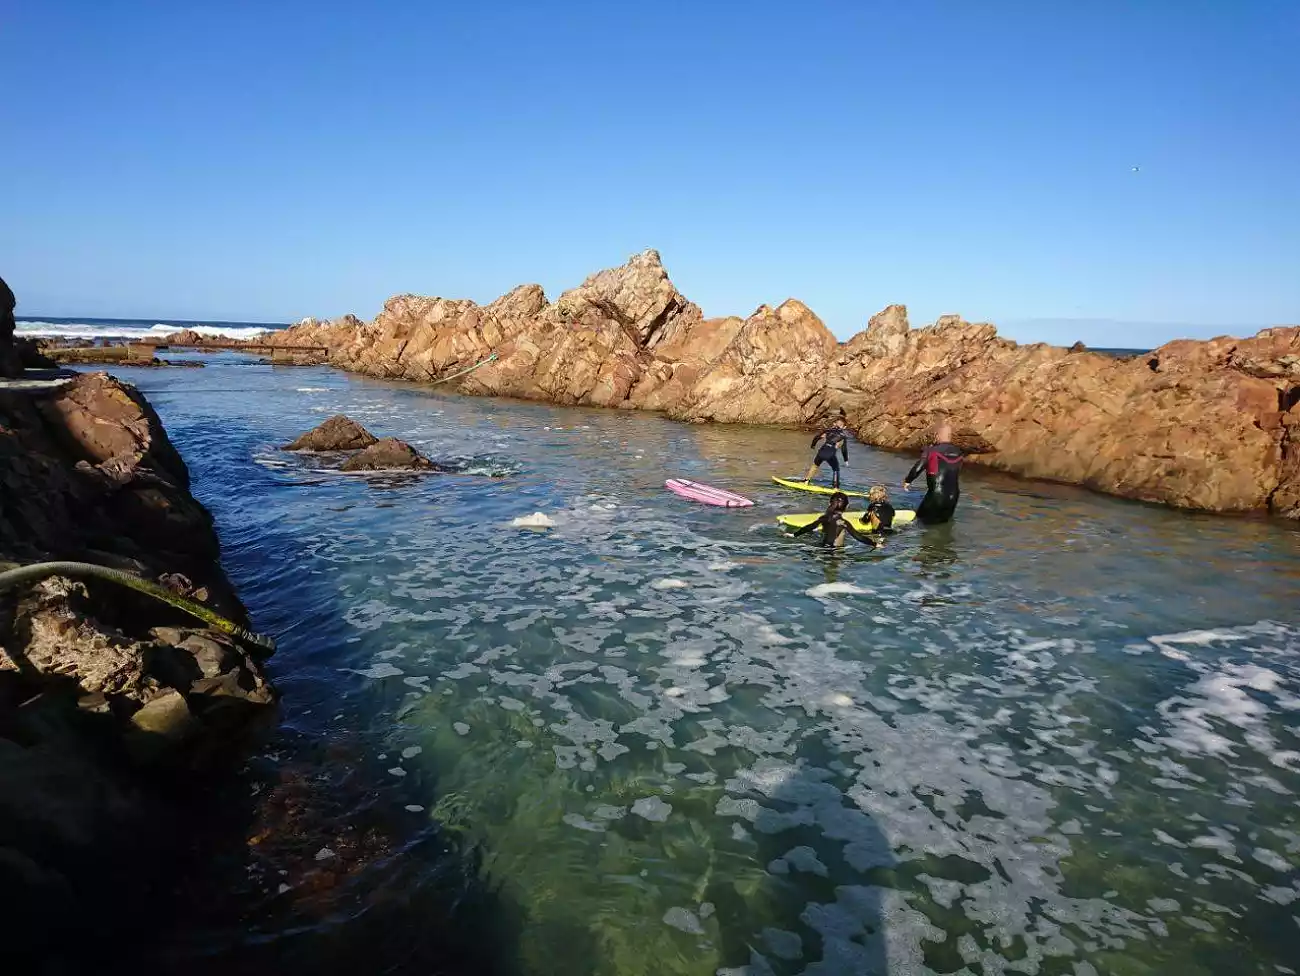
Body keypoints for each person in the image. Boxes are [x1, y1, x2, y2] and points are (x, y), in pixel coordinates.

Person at [903, 422, 963, 524]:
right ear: (950, 436)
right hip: (953, 497)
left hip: (936, 495)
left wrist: (908, 481)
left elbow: (918, 467)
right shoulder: (959, 452)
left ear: (937, 435)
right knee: (943, 526)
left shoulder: (931, 451)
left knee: (920, 523)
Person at [792, 491, 878, 548]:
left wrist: (794, 535)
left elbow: (809, 527)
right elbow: (858, 537)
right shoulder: (843, 523)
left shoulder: (824, 518)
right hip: (834, 553)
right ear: (847, 506)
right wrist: (875, 544)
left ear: (829, 503)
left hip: (821, 548)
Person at [804, 416, 851, 488]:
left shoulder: (828, 430)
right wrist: (846, 460)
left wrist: (813, 445)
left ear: (835, 424)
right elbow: (844, 449)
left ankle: (806, 481)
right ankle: (835, 487)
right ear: (844, 427)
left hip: (821, 452)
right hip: (830, 454)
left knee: (815, 465)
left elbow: (816, 437)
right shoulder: (843, 436)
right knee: (836, 469)